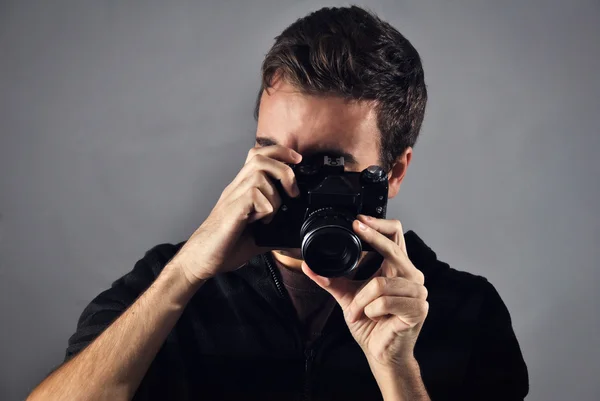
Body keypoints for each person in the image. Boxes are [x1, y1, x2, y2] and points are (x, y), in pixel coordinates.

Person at [27, 6, 528, 401]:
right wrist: (183, 276)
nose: (293, 182)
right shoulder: (168, 281)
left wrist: (397, 371)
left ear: (393, 171)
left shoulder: (467, 312)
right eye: (274, 153)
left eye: (329, 165)